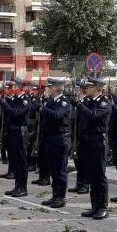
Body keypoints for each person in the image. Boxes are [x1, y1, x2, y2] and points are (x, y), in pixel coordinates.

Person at [75, 77, 112, 219]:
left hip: (98, 142)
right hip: (87, 142)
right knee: (91, 175)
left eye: (90, 87)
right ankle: (94, 206)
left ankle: (103, 207)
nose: (87, 89)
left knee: (99, 176)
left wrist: (80, 105)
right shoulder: (88, 101)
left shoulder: (104, 102)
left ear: (97, 88)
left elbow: (93, 115)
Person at [39, 77, 71, 209]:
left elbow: (57, 115)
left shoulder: (63, 102)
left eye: (49, 87)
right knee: (53, 168)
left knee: (60, 169)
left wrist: (43, 108)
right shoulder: (51, 101)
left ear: (55, 88)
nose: (47, 89)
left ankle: (61, 197)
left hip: (60, 139)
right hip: (51, 138)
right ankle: (55, 194)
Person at [0, 78, 33, 197]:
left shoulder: (25, 100)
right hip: (13, 132)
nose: (11, 88)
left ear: (18, 87)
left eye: (13, 86)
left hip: (20, 132)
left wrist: (5, 104)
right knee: (15, 161)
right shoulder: (16, 99)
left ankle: (23, 188)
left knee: (21, 161)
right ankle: (17, 186)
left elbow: (15, 113)